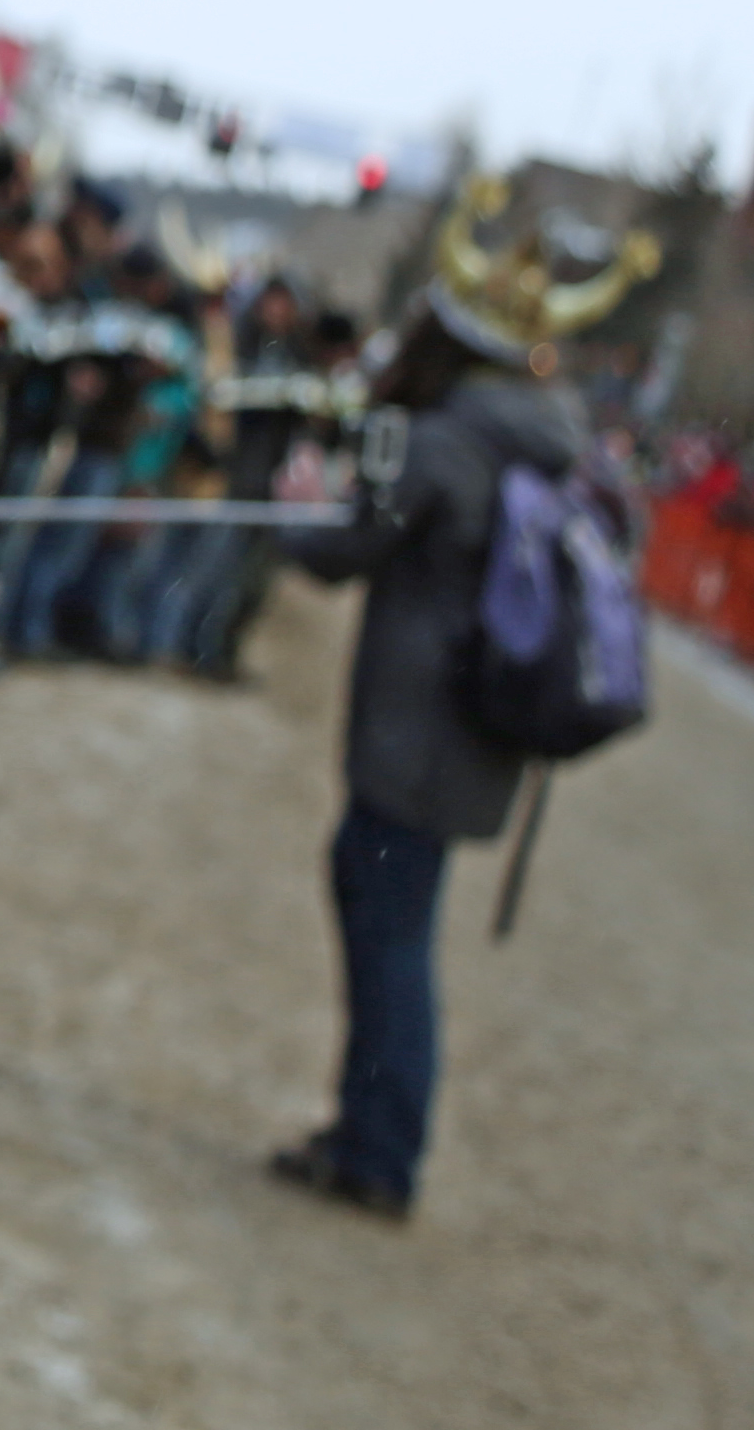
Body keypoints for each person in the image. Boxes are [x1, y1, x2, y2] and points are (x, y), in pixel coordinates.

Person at [264, 192, 642, 1221]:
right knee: (393, 921)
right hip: (473, 736)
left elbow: (348, 552)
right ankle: (370, 1134)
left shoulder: (447, 441)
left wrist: (304, 515)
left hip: (415, 737)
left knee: (388, 932)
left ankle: (379, 1152)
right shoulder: (558, 440)